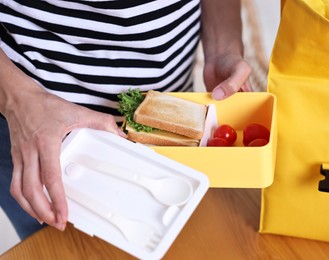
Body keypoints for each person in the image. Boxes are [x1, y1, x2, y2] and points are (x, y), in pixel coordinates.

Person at [0, 0, 252, 241]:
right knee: (57, 246)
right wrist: (18, 101)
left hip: (172, 110)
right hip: (34, 128)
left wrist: (223, 46)